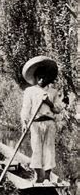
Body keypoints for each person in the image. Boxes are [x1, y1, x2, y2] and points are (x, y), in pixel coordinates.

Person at [21, 56, 62, 184]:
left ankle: (47, 178)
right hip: (35, 123)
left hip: (49, 123)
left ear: (48, 78)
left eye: (44, 77)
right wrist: (24, 121)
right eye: (39, 77)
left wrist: (49, 102)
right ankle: (37, 176)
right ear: (35, 77)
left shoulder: (53, 92)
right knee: (36, 149)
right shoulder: (30, 91)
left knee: (49, 149)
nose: (41, 79)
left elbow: (58, 109)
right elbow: (25, 108)